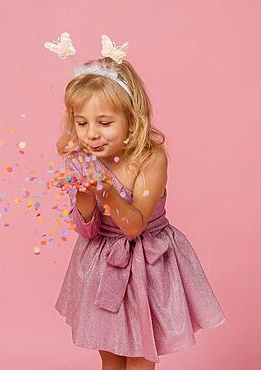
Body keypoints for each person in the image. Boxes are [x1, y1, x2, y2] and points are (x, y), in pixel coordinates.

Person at [52, 54, 226, 370]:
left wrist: (105, 191)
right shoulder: (85, 160)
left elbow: (134, 227)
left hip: (148, 264)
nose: (91, 134)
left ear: (132, 119)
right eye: (82, 123)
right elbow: (88, 230)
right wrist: (83, 194)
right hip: (102, 264)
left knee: (141, 356)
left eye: (104, 123)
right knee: (110, 354)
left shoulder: (151, 158)